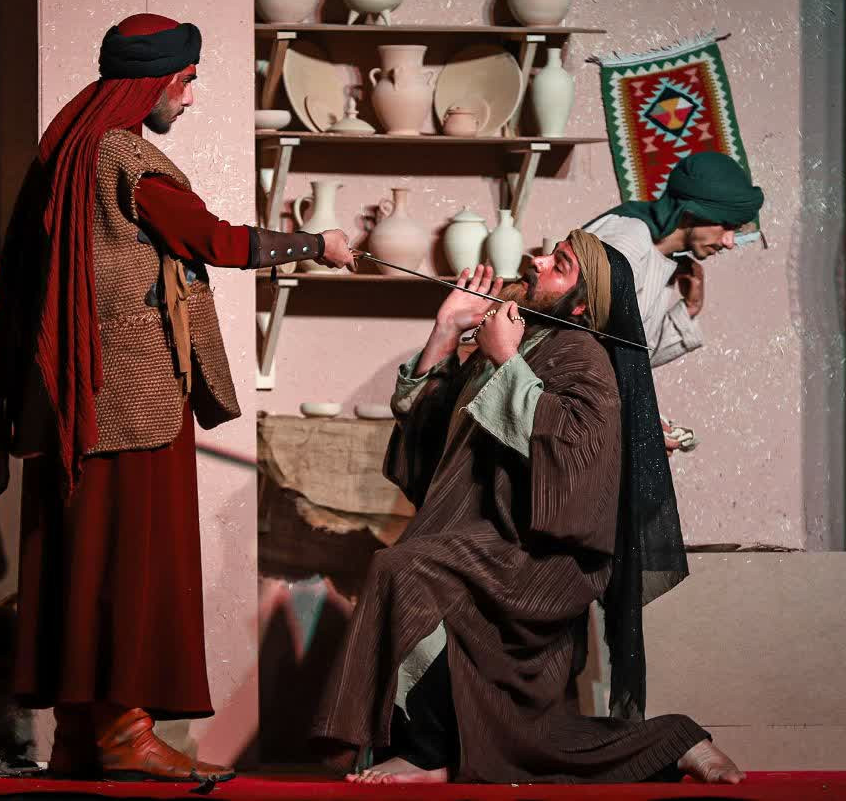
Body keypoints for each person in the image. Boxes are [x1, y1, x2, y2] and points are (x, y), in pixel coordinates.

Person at [0, 13, 354, 787]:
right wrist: (315, 245)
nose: (190, 95)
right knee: (134, 561)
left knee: (86, 559)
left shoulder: (69, 146)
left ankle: (81, 737)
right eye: (185, 81)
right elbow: (214, 240)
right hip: (131, 400)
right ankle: (125, 732)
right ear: (153, 81)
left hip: (77, 397)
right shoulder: (123, 156)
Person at [312, 230, 743, 786]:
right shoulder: (523, 339)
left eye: (558, 264)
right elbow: (432, 435)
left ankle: (428, 755)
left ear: (581, 305)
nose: (536, 262)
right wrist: (447, 328)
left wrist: (506, 359)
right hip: (482, 540)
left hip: (538, 555)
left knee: (403, 570)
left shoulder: (580, 352)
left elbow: (576, 452)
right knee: (518, 739)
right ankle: (673, 742)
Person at [582, 151, 764, 450]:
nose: (730, 242)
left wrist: (689, 310)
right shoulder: (627, 241)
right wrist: (635, 422)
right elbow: (577, 351)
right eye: (726, 225)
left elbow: (633, 355)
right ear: (690, 212)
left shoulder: (661, 257)